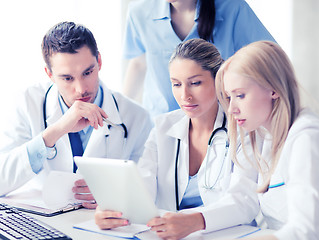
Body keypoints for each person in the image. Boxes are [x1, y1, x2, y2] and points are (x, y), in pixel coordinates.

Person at [95, 39, 258, 239]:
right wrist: (115, 209)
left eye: (195, 83)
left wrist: (195, 221)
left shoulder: (242, 129)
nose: (184, 95)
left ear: (219, 81)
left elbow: (244, 202)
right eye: (176, 84)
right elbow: (143, 183)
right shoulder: (163, 127)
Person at [0, 22, 152, 208]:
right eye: (67, 78)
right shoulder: (26, 103)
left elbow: (149, 191)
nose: (81, 89)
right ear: (49, 74)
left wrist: (113, 192)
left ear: (100, 62)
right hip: (43, 220)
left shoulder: (137, 117)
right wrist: (54, 132)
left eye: (87, 72)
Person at [215, 40, 319, 239]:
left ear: (273, 89)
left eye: (240, 95)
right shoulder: (265, 135)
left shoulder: (308, 139)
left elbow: (307, 230)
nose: (231, 109)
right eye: (228, 97)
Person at [122, 0, 275, 117]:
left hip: (218, 118)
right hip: (160, 118)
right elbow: (138, 63)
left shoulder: (232, 7)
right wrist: (121, 109)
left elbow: (268, 55)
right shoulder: (140, 11)